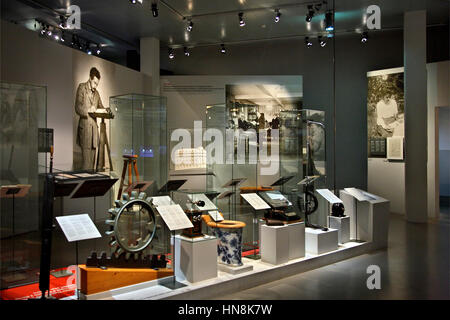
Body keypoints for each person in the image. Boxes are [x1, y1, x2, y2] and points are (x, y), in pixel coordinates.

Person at [75, 67, 105, 170]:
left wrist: (106, 110)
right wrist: (89, 110)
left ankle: (91, 184)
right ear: (90, 78)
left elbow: (101, 107)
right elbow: (78, 107)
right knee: (86, 165)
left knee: (92, 166)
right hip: (85, 131)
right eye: (95, 83)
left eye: (97, 83)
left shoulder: (97, 93)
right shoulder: (82, 88)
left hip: (94, 133)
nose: (96, 85)